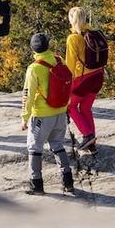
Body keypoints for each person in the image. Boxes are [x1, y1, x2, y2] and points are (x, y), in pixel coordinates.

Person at [21, 33, 74, 195]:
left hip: (42, 116)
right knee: (58, 145)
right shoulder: (59, 60)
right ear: (48, 46)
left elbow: (28, 95)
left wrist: (24, 117)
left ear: (33, 49)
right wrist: (67, 108)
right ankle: (68, 181)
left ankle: (36, 184)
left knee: (35, 148)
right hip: (60, 112)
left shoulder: (34, 68)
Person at [65, 6, 105, 153]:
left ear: (71, 19)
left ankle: (87, 135)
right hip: (98, 76)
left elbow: (70, 66)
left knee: (70, 107)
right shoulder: (94, 33)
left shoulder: (73, 38)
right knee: (86, 108)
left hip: (84, 79)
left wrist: (66, 85)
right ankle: (91, 143)